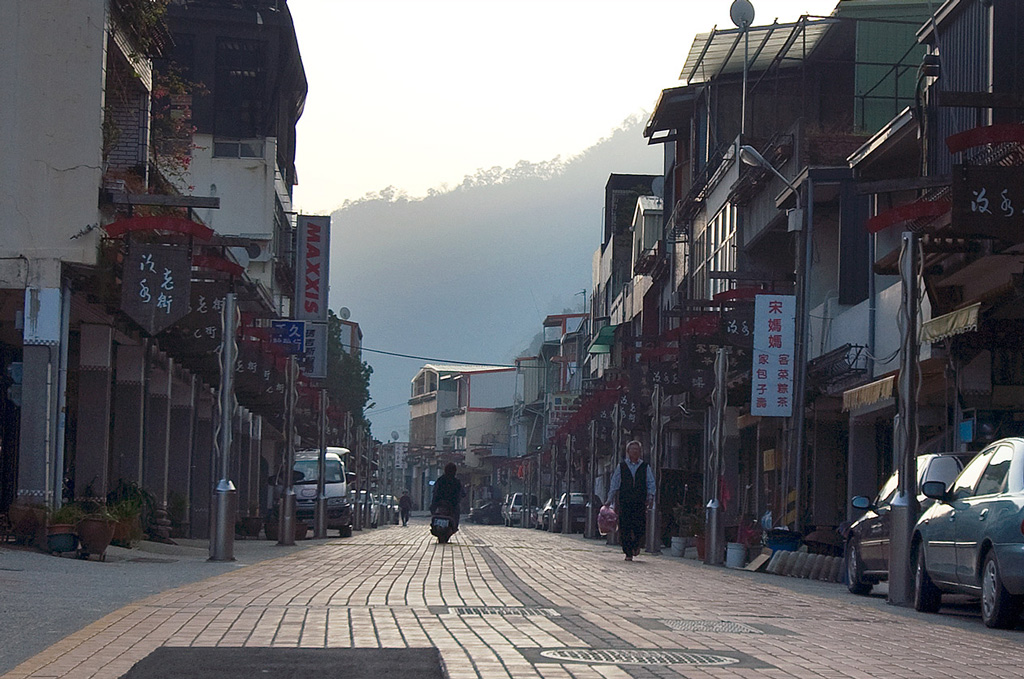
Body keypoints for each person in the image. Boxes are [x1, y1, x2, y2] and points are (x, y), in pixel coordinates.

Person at [608, 440, 656, 561]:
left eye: (637, 449)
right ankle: (628, 552)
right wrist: (609, 499)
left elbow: (650, 482)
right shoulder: (622, 466)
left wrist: (650, 497)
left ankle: (636, 545)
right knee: (625, 526)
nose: (634, 452)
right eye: (632, 449)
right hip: (625, 501)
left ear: (640, 452)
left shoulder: (645, 466)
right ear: (628, 451)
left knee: (639, 526)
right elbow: (615, 483)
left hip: (640, 501)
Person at [430, 462, 463, 531]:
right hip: (451, 505)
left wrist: (434, 505)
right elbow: (461, 493)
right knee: (457, 511)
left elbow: (435, 493)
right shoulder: (456, 481)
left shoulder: (440, 480)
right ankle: (455, 527)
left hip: (441, 504)